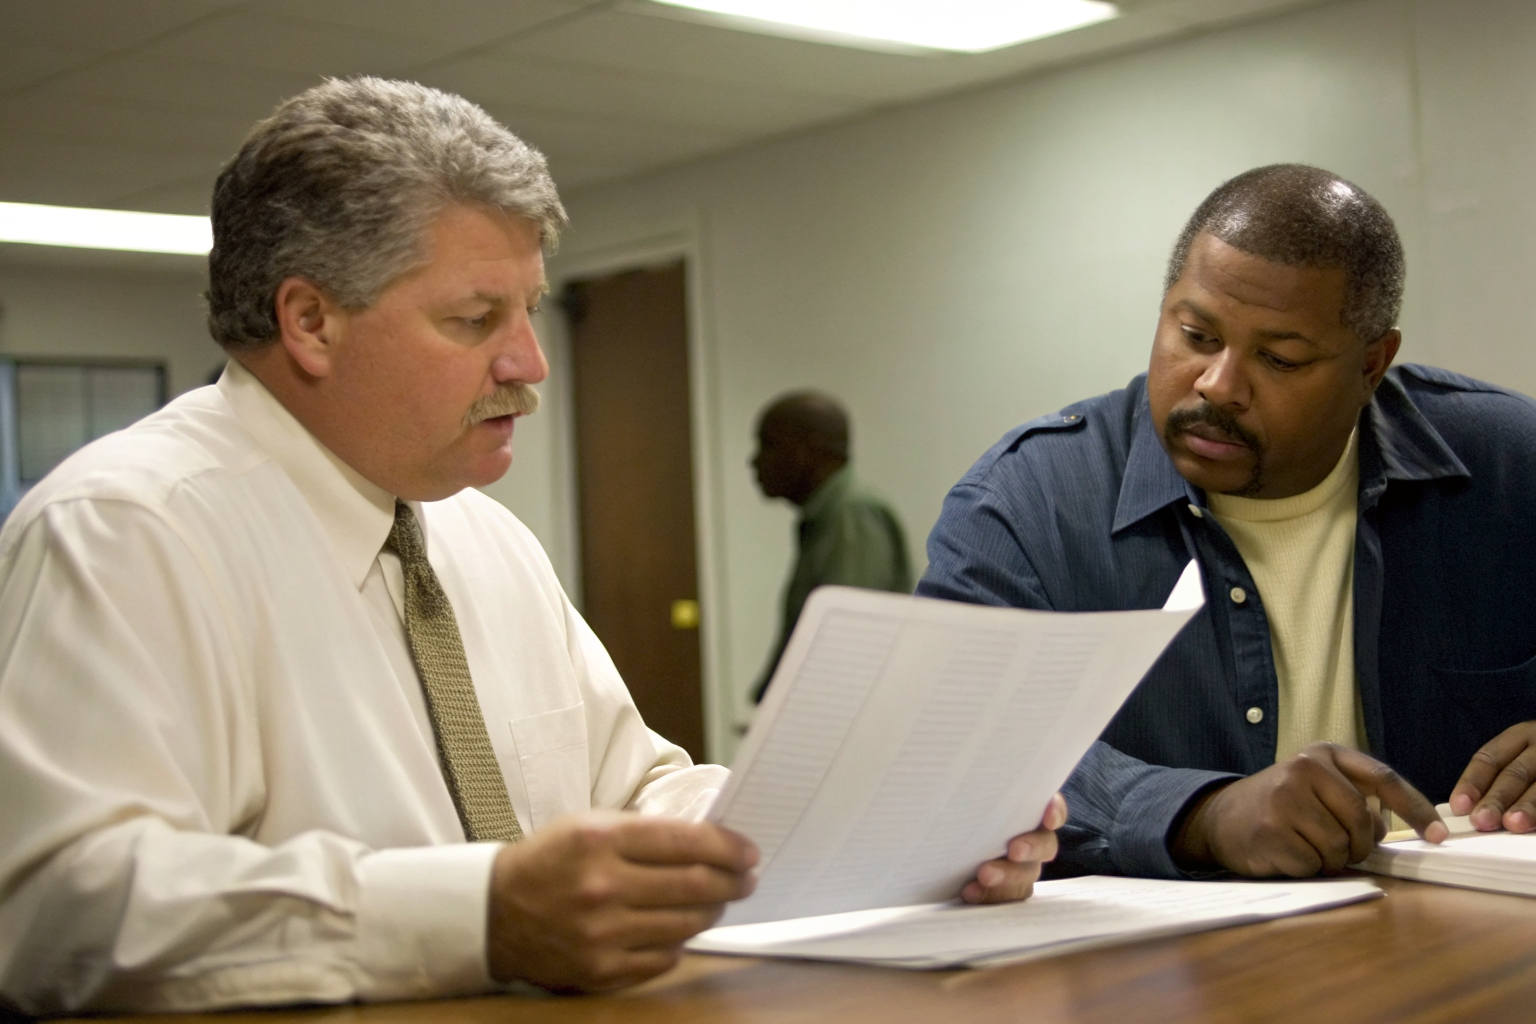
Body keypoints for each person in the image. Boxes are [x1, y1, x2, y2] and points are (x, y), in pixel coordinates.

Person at [0, 78, 1057, 1014]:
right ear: (310, 321)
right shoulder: (125, 530)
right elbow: (64, 908)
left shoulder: (480, 534)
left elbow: (634, 792)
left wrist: (894, 829)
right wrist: (479, 914)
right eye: (475, 319)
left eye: (531, 310)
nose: (530, 362)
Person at [920, 163, 1536, 881]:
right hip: (1154, 976)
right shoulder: (1025, 502)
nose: (1219, 385)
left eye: (1279, 358)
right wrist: (1197, 815)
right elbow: (955, 737)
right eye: (1195, 335)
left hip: (1452, 950)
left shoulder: (1508, 468)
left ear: (1372, 365)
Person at [750, 390, 912, 702]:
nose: (754, 461)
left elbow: (850, 643)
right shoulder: (831, 515)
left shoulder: (849, 513)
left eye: (768, 444)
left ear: (806, 450)